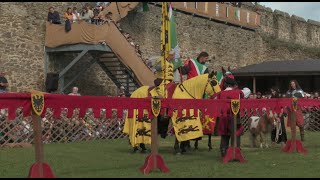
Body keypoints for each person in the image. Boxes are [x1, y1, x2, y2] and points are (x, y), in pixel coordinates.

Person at [216, 76, 245, 158]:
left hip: (223, 118)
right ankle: (236, 152)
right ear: (233, 85)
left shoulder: (220, 94)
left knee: (224, 136)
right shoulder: (239, 93)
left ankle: (223, 152)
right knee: (237, 134)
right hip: (235, 116)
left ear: (225, 85)